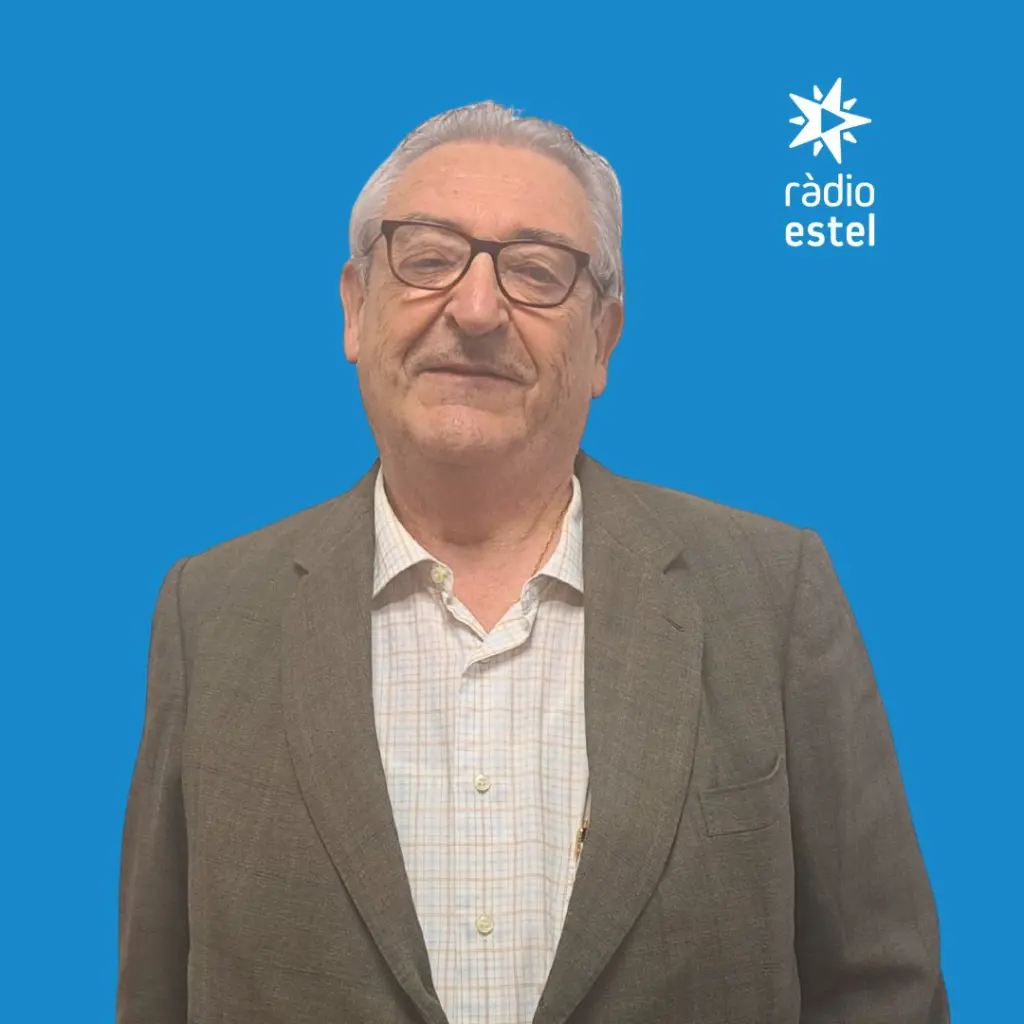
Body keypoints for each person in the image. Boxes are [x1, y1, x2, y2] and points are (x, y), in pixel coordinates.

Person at [117, 100, 948, 1024]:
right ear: (355, 307)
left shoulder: (773, 592)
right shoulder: (209, 612)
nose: (476, 310)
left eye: (537, 272)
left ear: (602, 340)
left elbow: (887, 989)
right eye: (427, 257)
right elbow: (154, 995)